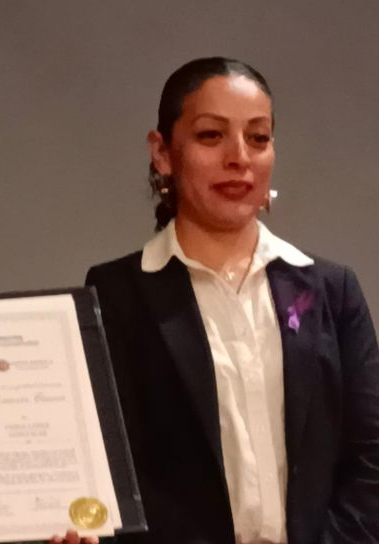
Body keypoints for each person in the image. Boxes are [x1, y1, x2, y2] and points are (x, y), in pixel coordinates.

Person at [86, 57, 379, 543]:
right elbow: (116, 472)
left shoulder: (331, 289)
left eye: (258, 137)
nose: (239, 157)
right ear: (162, 153)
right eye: (211, 135)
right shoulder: (117, 293)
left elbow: (370, 460)